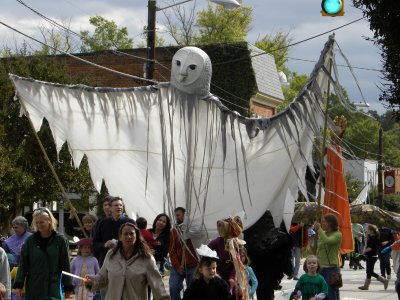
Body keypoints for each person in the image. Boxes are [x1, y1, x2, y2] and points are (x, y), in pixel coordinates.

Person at [85, 222, 169, 300]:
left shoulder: (146, 258)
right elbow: (102, 277)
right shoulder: (111, 254)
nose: (128, 236)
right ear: (120, 237)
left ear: (137, 236)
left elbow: (157, 285)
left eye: (131, 234)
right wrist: (91, 281)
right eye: (125, 234)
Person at [13, 207, 73, 299]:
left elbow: (65, 264)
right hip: (34, 286)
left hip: (53, 287)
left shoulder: (60, 240)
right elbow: (23, 264)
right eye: (36, 223)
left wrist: (68, 288)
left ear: (49, 221)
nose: (39, 225)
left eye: (41, 222)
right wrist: (18, 285)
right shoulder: (30, 241)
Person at [93, 196, 136, 267]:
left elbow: (137, 242)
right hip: (106, 261)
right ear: (110, 208)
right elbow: (95, 243)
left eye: (120, 205)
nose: (119, 207)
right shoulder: (102, 223)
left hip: (126, 260)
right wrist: (105, 244)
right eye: (116, 205)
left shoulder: (130, 222)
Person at [169, 207, 198, 300]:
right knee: (173, 287)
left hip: (193, 265)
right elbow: (172, 250)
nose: (176, 217)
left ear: (185, 216)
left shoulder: (194, 229)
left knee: (193, 290)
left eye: (178, 215)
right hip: (177, 266)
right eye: (175, 215)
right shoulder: (174, 231)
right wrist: (177, 266)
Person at [314, 214, 342, 300]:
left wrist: (319, 229)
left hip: (330, 269)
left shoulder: (338, 234)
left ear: (330, 223)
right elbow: (319, 249)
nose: (321, 224)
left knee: (331, 295)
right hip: (320, 268)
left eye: (324, 222)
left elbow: (328, 241)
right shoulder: (324, 233)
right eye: (321, 222)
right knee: (321, 295)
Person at [358, 225, 389, 290]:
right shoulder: (371, 237)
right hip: (371, 256)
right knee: (369, 271)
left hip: (372, 256)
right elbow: (367, 246)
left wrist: (363, 252)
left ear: (371, 231)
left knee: (370, 272)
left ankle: (384, 280)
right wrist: (366, 238)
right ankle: (366, 286)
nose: (367, 231)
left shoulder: (373, 238)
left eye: (368, 229)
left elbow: (370, 248)